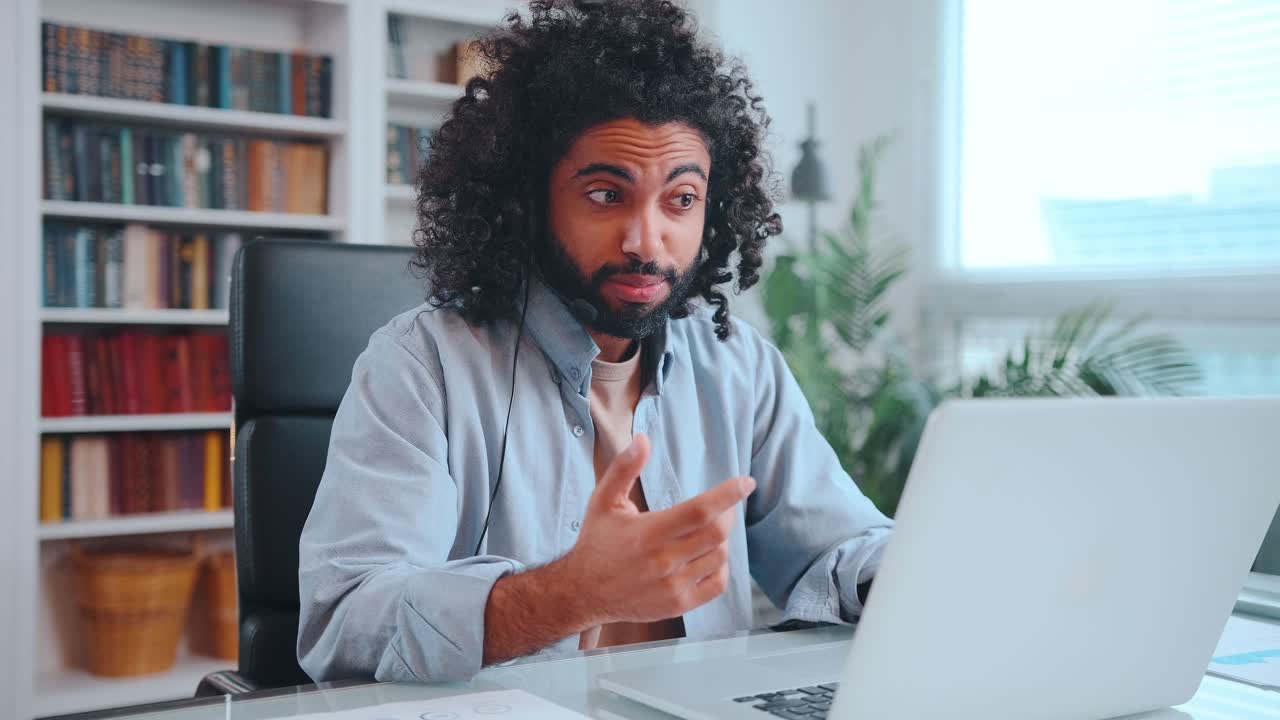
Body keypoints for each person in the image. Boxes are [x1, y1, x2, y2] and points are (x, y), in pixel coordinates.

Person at [297, 0, 893, 683]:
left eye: (681, 200)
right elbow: (345, 623)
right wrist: (573, 594)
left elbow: (840, 546)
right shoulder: (423, 366)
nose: (647, 240)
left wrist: (907, 579)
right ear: (528, 198)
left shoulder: (740, 366)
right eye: (608, 195)